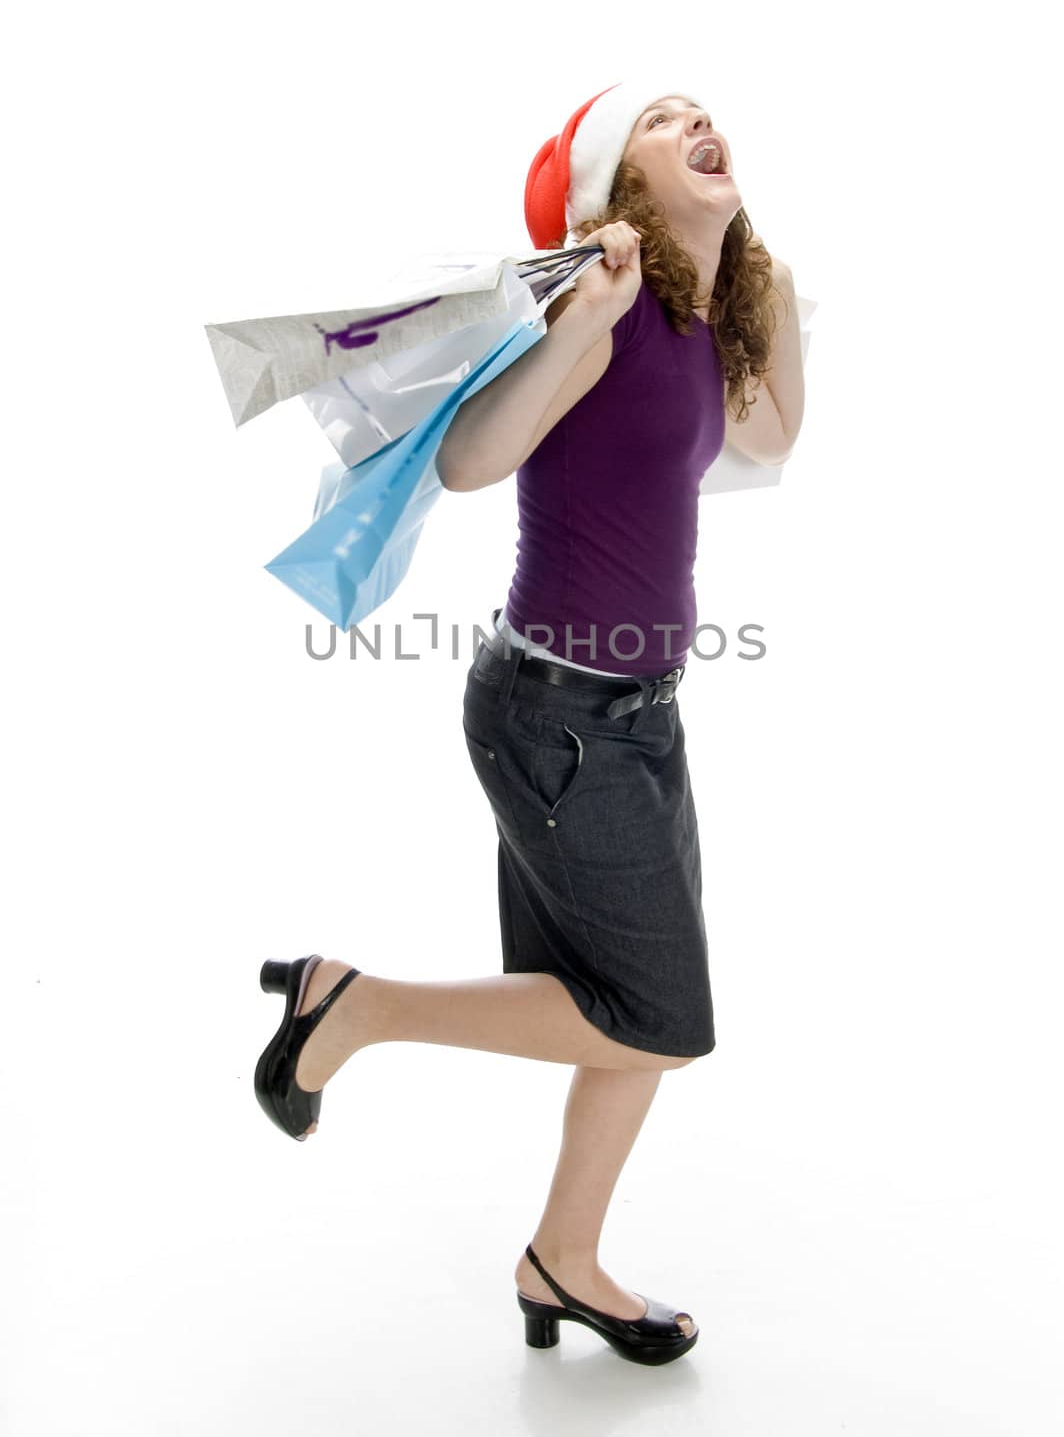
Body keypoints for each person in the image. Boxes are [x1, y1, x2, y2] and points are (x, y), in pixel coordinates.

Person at [253, 80, 805, 1367]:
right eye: (663, 120)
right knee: (655, 1015)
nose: (697, 121)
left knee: (618, 1006)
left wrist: (766, 296)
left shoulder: (696, 321)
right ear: (618, 179)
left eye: (702, 108)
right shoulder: (600, 307)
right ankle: (358, 1004)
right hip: (557, 718)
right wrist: (580, 322)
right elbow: (466, 463)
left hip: (634, 719)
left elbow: (774, 437)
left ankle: (562, 1258)